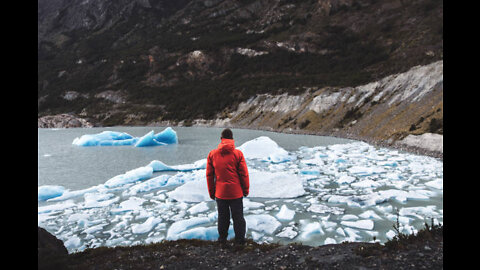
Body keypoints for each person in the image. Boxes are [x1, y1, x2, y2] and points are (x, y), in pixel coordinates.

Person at [206, 128, 249, 245]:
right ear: (232, 139)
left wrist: (212, 192)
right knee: (238, 218)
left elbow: (209, 176)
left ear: (221, 139)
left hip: (220, 193)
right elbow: (244, 174)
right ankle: (240, 242)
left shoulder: (212, 154)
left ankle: (222, 240)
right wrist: (245, 190)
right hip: (236, 193)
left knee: (223, 218)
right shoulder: (238, 154)